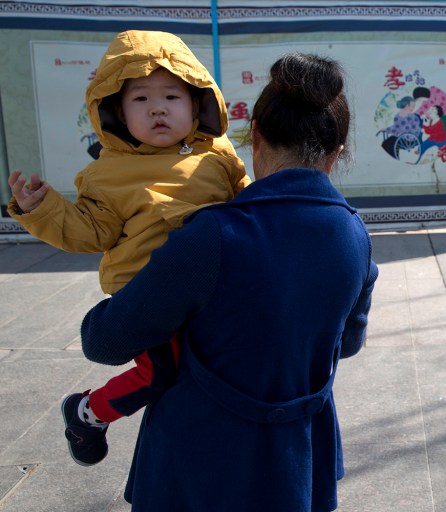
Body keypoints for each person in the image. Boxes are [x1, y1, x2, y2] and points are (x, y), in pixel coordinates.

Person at [79, 52, 378, 511]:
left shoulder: (212, 235)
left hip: (199, 461)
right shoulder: (356, 236)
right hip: (297, 459)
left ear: (254, 135)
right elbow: (349, 343)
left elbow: (104, 341)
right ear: (337, 153)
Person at [6, 30, 250, 466]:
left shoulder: (219, 156)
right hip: (147, 293)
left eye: (171, 96)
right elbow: (89, 232)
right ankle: (87, 412)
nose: (158, 108)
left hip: (210, 288)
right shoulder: (107, 174)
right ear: (116, 111)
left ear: (197, 103)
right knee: (159, 373)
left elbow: (247, 203)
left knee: (214, 364)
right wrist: (41, 208)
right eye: (140, 99)